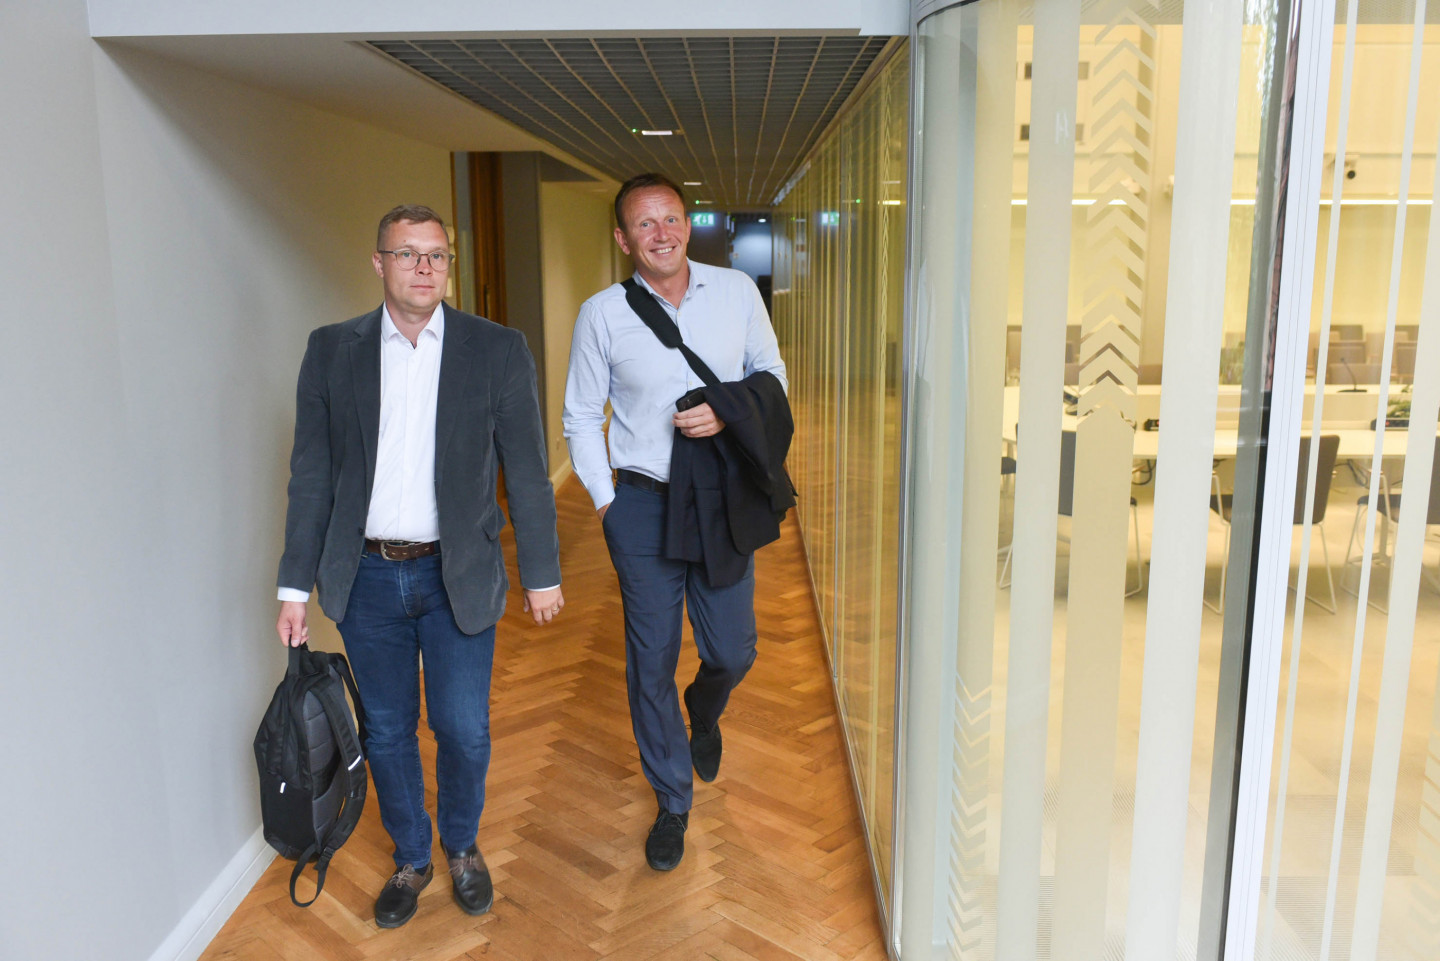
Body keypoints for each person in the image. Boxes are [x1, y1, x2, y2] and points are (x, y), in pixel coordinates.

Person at [275, 204, 563, 928]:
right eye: (408, 254)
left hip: (454, 574)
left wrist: (542, 571)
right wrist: (293, 587)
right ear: (379, 263)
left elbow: (528, 470)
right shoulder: (332, 349)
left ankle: (461, 845)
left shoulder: (496, 349)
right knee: (387, 730)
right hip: (366, 577)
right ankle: (412, 855)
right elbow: (311, 475)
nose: (424, 267)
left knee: (463, 729)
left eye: (437, 255)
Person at [562, 173, 789, 871]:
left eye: (671, 218)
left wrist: (727, 410)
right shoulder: (603, 314)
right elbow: (581, 414)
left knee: (733, 650)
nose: (661, 233)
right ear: (623, 238)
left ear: (687, 225)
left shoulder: (737, 292)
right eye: (645, 223)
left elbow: (773, 377)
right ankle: (672, 799)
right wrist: (606, 502)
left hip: (721, 499)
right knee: (650, 658)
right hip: (643, 502)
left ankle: (706, 707)